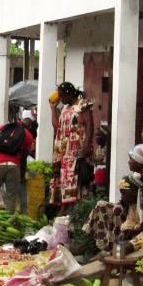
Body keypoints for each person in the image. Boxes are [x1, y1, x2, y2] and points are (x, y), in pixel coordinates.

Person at [83, 173, 143, 253]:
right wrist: (124, 231)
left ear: (134, 190)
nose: (122, 197)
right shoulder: (134, 202)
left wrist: (133, 244)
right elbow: (131, 220)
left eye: (124, 193)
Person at [50, 81, 93, 212]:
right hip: (64, 154)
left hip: (77, 152)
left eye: (62, 96)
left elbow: (90, 125)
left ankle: (69, 216)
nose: (61, 99)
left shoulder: (82, 104)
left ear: (69, 93)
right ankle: (65, 216)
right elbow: (57, 127)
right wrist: (53, 109)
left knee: (77, 186)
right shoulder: (64, 108)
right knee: (65, 187)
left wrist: (86, 147)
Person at [0, 121, 34, 213]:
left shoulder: (2, 128)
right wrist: (22, 175)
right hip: (14, 166)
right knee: (11, 199)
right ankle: (8, 224)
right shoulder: (28, 135)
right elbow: (24, 158)